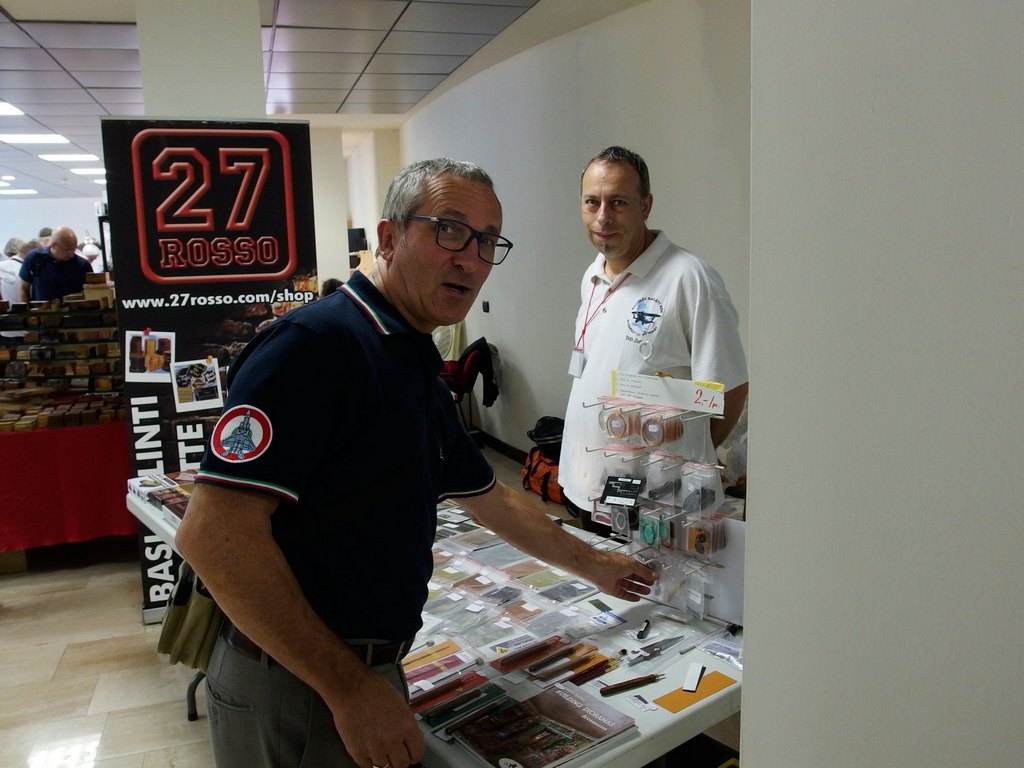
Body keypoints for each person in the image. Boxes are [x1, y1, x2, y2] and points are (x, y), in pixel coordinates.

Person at [175, 157, 657, 768]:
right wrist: (349, 689)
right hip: (302, 680)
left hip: (360, 667)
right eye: (449, 230)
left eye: (487, 242)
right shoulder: (313, 348)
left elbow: (491, 497)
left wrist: (599, 566)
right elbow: (214, 537)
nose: (471, 259)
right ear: (388, 237)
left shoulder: (408, 353)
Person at [560, 146, 749, 531]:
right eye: (592, 202)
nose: (603, 217)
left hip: (654, 499)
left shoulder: (690, 279)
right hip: (588, 484)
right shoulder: (593, 276)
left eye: (618, 202)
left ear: (645, 206)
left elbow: (730, 389)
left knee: (641, 570)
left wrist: (684, 454)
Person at [17, 226, 91, 302]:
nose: (72, 255)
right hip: (42, 308)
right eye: (68, 250)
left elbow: (91, 293)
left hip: (73, 308)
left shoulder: (82, 265)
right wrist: (26, 308)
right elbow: (23, 288)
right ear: (54, 246)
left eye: (74, 250)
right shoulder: (34, 258)